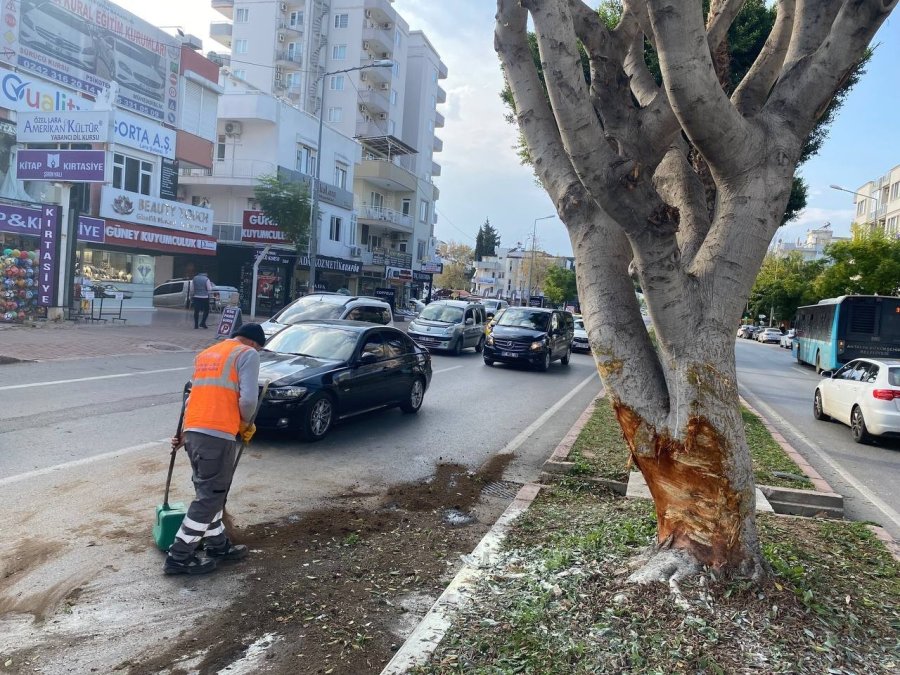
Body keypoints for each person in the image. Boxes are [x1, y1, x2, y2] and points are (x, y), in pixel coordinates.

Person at [164, 323, 266, 575]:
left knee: (211, 492)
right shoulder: (247, 354)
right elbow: (249, 398)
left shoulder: (207, 355)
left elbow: (191, 397)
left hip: (194, 432)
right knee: (210, 496)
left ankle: (217, 545)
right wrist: (245, 423)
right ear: (253, 343)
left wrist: (181, 433)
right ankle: (179, 556)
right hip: (217, 433)